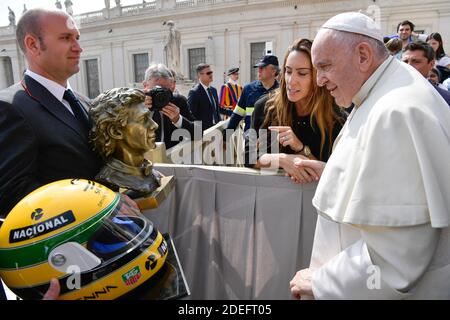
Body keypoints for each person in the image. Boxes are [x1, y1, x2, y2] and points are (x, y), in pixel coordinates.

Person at [290, 12, 450, 299]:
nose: (320, 80)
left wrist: (322, 282)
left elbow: (398, 258)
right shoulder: (387, 88)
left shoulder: (396, 112)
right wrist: (333, 172)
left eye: (325, 66)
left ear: (363, 55)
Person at [0, 9, 102, 218]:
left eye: (77, 38)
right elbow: (13, 194)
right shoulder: (10, 107)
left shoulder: (85, 102)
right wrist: (101, 205)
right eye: (66, 38)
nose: (78, 48)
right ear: (33, 44)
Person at [245, 38, 346, 184]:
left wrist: (301, 149)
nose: (291, 81)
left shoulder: (336, 118)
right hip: (271, 199)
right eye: (288, 71)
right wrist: (283, 160)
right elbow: (249, 157)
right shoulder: (266, 107)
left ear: (318, 76)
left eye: (302, 73)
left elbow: (333, 174)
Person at [90, 87, 162, 195]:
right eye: (143, 119)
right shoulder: (109, 179)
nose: (154, 125)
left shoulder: (148, 172)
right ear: (115, 131)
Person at [143, 63, 197, 149]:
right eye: (156, 90)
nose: (160, 95)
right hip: (145, 159)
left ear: (171, 86)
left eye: (165, 90)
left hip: (172, 158)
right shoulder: (135, 104)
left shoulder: (178, 101)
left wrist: (178, 120)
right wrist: (140, 110)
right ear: (145, 86)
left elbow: (198, 133)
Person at [225, 55, 280, 135]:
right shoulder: (248, 89)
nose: (259, 70)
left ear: (274, 71)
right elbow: (237, 115)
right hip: (251, 142)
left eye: (263, 67)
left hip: (274, 143)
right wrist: (226, 137)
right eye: (258, 68)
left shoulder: (282, 92)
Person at [402, 41, 450, 106]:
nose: (409, 66)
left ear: (431, 64)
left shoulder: (444, 98)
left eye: (416, 62)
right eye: (405, 61)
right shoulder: (389, 92)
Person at [187, 63, 220, 131]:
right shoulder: (194, 92)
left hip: (216, 129)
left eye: (211, 72)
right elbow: (191, 115)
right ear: (200, 75)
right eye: (208, 73)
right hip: (203, 132)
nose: (211, 75)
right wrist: (198, 132)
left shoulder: (214, 90)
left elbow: (217, 109)